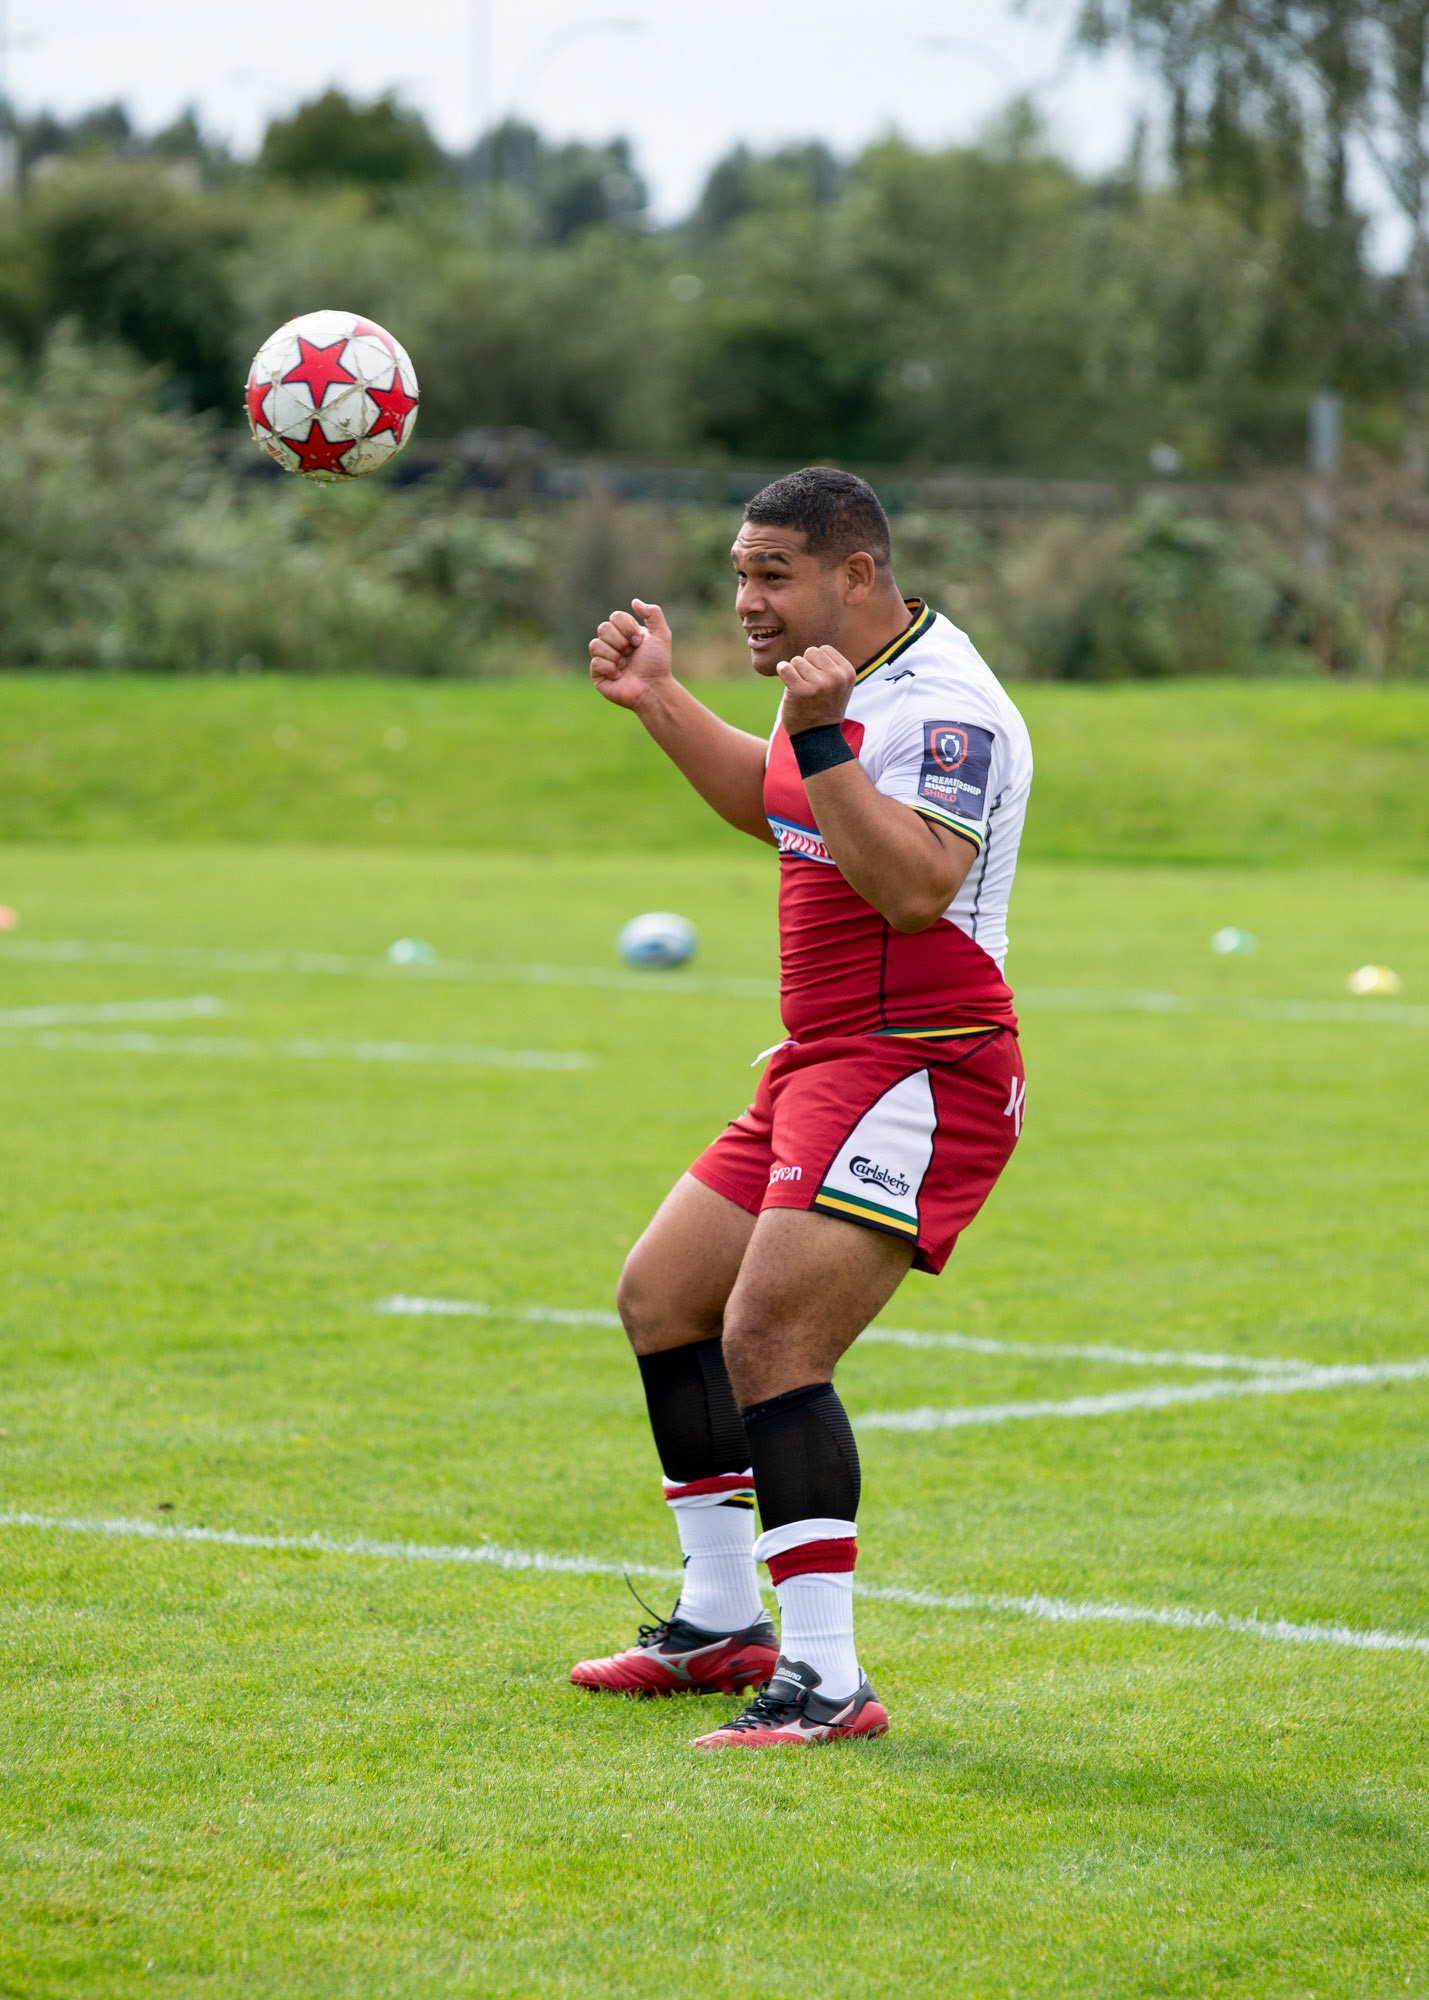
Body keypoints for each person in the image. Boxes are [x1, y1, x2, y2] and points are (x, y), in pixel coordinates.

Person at [570, 467, 1033, 1748]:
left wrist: (822, 732)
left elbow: (915, 889)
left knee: (771, 1341)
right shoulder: (838, 680)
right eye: (738, 573)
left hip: (923, 1060)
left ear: (855, 573)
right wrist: (661, 699)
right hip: (821, 1055)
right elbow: (779, 806)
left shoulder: (946, 706)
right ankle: (722, 1620)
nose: (746, 601)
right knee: (665, 1295)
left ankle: (827, 1679)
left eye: (772, 575)